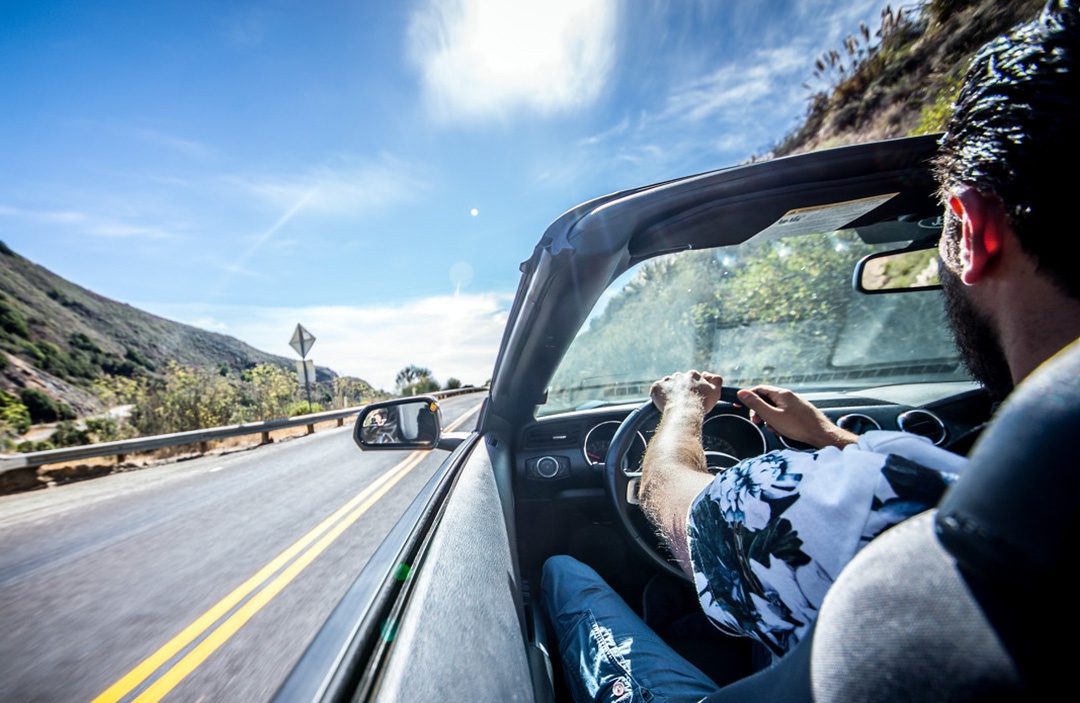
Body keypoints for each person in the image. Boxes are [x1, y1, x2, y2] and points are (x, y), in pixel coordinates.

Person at [542, 1, 1080, 700]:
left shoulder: (866, 501)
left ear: (969, 228)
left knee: (564, 575)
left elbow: (667, 494)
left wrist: (681, 406)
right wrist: (828, 435)